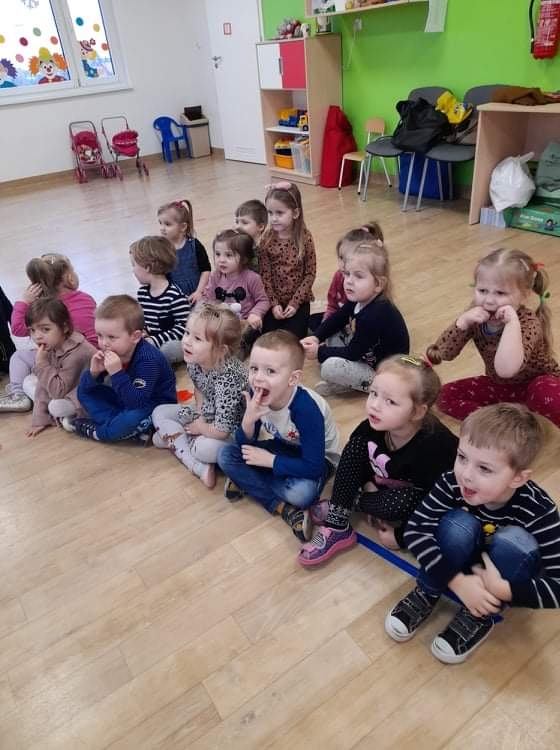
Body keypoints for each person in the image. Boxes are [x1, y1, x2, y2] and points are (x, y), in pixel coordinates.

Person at [386, 403, 560, 664]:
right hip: (457, 561)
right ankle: (427, 591)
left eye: (485, 468)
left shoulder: (540, 511)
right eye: (462, 457)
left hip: (500, 576)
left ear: (518, 478)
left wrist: (504, 590)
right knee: (457, 524)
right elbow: (416, 529)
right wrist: (456, 580)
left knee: (518, 541)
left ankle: (479, 614)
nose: (466, 475)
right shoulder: (451, 482)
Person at [298, 354, 458, 566]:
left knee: (403, 502)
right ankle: (337, 524)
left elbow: (436, 503)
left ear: (418, 412)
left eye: (390, 401)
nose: (374, 405)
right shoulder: (373, 426)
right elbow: (357, 459)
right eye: (373, 393)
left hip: (418, 496)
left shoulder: (435, 447)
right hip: (381, 482)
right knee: (355, 446)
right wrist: (367, 482)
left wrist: (402, 536)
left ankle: (347, 504)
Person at [217, 330, 340, 541]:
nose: (258, 378)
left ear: (293, 379)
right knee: (225, 455)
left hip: (320, 459)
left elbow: (313, 466)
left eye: (270, 371)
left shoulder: (306, 409)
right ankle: (283, 508)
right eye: (254, 368)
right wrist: (248, 422)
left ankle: (249, 482)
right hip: (284, 446)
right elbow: (245, 443)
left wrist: (270, 461)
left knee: (302, 494)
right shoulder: (257, 392)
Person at [427, 247, 560, 427]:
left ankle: (524, 420)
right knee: (444, 396)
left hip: (537, 384)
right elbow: (443, 353)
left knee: (547, 397)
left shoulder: (528, 322)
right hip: (500, 387)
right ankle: (506, 422)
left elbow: (506, 370)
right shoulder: (476, 316)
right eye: (482, 290)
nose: (489, 300)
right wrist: (462, 322)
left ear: (524, 295)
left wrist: (511, 324)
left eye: (500, 293)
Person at [301, 226, 409, 396]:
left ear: (378, 284)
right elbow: (339, 317)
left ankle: (369, 386)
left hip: (383, 371)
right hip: (365, 351)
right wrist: (317, 337)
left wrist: (319, 352)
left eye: (358, 276)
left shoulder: (374, 314)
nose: (349, 281)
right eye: (347, 274)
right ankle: (345, 379)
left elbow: (353, 352)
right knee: (332, 329)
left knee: (329, 367)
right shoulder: (361, 297)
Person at [152, 304, 247, 489]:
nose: (186, 341)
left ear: (221, 350)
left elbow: (222, 430)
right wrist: (201, 416)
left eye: (197, 338)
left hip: (234, 430)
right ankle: (191, 454)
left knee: (203, 448)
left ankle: (185, 449)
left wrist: (201, 427)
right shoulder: (195, 360)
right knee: (159, 412)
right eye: (187, 333)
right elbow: (199, 389)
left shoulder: (228, 379)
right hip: (209, 414)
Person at [68, 295, 176, 442]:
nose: (104, 343)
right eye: (99, 335)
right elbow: (86, 390)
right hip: (126, 400)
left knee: (132, 417)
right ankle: (121, 427)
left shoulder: (148, 360)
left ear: (135, 337)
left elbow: (137, 403)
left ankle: (100, 432)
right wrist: (93, 373)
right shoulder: (113, 350)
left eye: (112, 337)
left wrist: (117, 373)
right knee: (84, 391)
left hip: (154, 406)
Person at [0, 253, 96, 413]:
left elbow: (17, 328)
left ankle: (19, 396)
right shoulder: (86, 299)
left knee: (19, 358)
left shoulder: (42, 310)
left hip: (63, 361)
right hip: (92, 357)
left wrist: (23, 301)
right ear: (68, 276)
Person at [21, 297, 96, 437]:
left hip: (85, 396)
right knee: (28, 381)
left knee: (55, 406)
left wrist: (42, 364)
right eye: (32, 330)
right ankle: (62, 417)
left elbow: (58, 392)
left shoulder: (78, 353)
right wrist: (39, 420)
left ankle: (74, 419)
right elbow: (43, 385)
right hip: (64, 388)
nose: (37, 336)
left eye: (45, 329)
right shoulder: (52, 345)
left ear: (65, 327)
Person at [259, 182, 316, 339]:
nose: (274, 218)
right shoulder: (266, 239)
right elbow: (265, 275)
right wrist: (274, 303)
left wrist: (295, 303)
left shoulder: (305, 238)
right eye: (270, 213)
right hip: (274, 301)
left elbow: (310, 274)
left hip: (298, 301)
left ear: (295, 213)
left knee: (293, 340)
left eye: (279, 213)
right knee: (268, 337)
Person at [202, 229, 270, 355]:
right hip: (223, 321)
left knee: (245, 338)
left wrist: (256, 313)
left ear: (243, 259)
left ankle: (240, 349)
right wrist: (213, 309)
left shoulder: (252, 278)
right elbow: (207, 299)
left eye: (228, 255)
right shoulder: (215, 276)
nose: (221, 260)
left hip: (245, 323)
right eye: (217, 254)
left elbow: (263, 300)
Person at [309, 221, 384, 332]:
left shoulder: (370, 298)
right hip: (344, 318)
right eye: (341, 258)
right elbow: (333, 306)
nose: (344, 264)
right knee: (312, 322)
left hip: (354, 326)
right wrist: (325, 324)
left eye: (348, 259)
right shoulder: (339, 276)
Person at [130, 235, 190, 364]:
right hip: (152, 341)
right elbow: (144, 321)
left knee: (171, 349)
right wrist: (143, 331)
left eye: (133, 265)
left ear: (147, 267)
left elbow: (184, 329)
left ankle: (155, 364)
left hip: (172, 342)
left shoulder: (174, 295)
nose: (132, 270)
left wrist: (155, 340)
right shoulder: (142, 293)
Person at [157, 199, 210, 303]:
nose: (162, 228)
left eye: (167, 224)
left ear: (183, 227)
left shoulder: (194, 245)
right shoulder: (162, 249)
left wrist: (199, 291)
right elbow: (162, 278)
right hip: (175, 298)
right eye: (160, 223)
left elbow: (206, 270)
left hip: (199, 295)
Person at [234, 199, 267, 268]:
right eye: (237, 222)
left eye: (244, 223)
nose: (238, 226)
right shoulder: (238, 247)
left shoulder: (266, 249)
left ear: (260, 226)